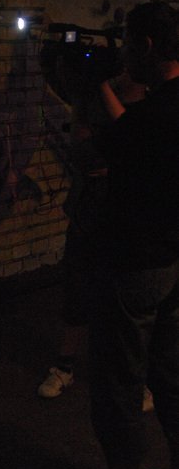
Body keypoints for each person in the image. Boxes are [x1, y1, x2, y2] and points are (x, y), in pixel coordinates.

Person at [86, 0, 179, 469]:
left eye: (127, 44)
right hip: (175, 263)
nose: (123, 54)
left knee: (120, 388)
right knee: (172, 376)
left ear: (146, 46)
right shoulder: (162, 112)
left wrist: (94, 86)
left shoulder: (150, 118)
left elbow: (111, 143)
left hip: (136, 266)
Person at [37, 67, 154, 412]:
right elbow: (83, 152)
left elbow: (149, 159)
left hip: (133, 217)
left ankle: (138, 379)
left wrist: (118, 163)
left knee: (130, 301)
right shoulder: (95, 97)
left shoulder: (156, 100)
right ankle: (65, 366)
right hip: (90, 209)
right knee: (78, 285)